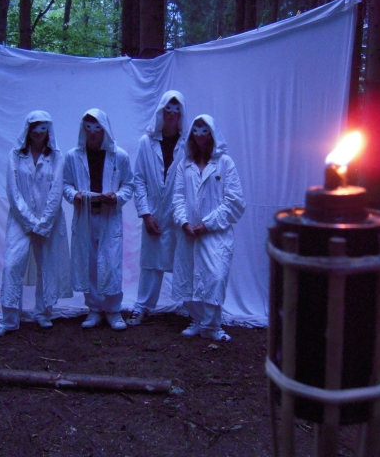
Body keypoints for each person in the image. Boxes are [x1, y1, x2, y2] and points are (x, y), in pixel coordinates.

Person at [0, 110, 71, 337]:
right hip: (19, 220)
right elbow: (13, 191)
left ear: (48, 130)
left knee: (47, 266)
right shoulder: (15, 155)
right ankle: (9, 319)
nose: (38, 132)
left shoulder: (57, 157)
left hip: (50, 220)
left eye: (43, 127)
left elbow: (56, 191)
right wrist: (30, 220)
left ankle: (43, 313)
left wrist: (43, 223)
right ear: (27, 128)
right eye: (34, 126)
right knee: (12, 265)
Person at [172, 115, 246, 342]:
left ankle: (212, 326)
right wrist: (184, 222)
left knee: (215, 276)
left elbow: (234, 201)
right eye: (196, 130)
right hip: (189, 233)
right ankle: (197, 320)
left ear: (213, 133)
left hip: (216, 234)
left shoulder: (225, 163)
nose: (200, 135)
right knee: (190, 276)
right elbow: (177, 197)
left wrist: (208, 224)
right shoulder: (185, 165)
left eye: (205, 130)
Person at [63, 109, 134, 331]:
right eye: (88, 128)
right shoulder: (73, 156)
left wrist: (117, 197)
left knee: (111, 264)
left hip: (109, 217)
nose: (93, 133)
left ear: (105, 129)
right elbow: (65, 184)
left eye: (97, 128)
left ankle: (113, 310)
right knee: (90, 264)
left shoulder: (119, 156)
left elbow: (128, 184)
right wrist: (73, 195)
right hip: (85, 216)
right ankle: (94, 308)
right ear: (83, 129)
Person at [127, 91, 187, 326]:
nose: (171, 114)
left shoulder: (187, 144)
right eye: (167, 109)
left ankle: (190, 307)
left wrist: (185, 214)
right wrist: (145, 213)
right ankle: (142, 306)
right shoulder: (147, 142)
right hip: (154, 210)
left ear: (182, 113)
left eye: (176, 110)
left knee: (185, 258)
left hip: (180, 211)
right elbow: (139, 179)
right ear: (161, 111)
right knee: (151, 261)